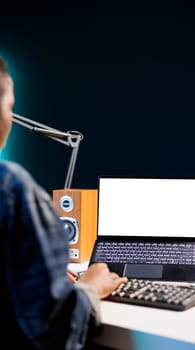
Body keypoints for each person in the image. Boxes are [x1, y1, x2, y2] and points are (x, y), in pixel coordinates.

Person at [0, 56, 127, 349]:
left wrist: (40, 273)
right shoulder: (11, 187)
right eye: (10, 107)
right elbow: (55, 327)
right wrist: (90, 287)